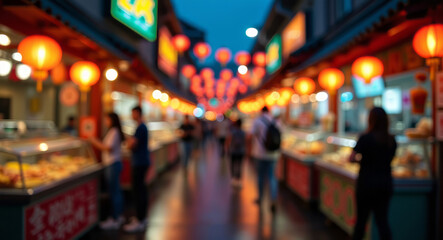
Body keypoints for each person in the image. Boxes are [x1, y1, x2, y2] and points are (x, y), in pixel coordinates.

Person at [350, 107, 397, 240]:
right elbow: (391, 159)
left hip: (366, 184)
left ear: (370, 120)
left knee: (361, 221)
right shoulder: (391, 140)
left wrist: (362, 162)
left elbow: (351, 158)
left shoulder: (365, 138)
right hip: (385, 184)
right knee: (382, 221)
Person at [89, 113, 125, 230]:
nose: (105, 121)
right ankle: (117, 216)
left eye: (106, 119)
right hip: (113, 164)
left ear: (111, 120)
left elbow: (108, 148)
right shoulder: (113, 131)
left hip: (112, 164)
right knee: (116, 191)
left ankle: (115, 218)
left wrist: (94, 141)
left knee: (113, 191)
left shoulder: (114, 132)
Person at [124, 106, 150, 232]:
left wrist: (127, 140)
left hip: (139, 162)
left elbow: (132, 145)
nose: (131, 115)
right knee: (141, 189)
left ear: (137, 113)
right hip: (142, 161)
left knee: (138, 190)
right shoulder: (142, 127)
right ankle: (142, 217)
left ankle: (140, 219)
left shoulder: (140, 128)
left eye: (133, 113)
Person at [251, 106, 281, 212]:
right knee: (272, 177)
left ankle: (260, 197)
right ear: (269, 111)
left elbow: (252, 134)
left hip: (260, 153)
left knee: (260, 176)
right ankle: (273, 199)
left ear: (261, 111)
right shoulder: (276, 121)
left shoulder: (257, 121)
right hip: (273, 154)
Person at [226, 119, 246, 187]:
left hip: (233, 150)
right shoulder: (243, 132)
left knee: (233, 164)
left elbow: (229, 140)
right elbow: (245, 142)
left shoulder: (232, 132)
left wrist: (228, 148)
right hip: (241, 151)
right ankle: (238, 179)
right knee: (239, 165)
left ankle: (233, 178)